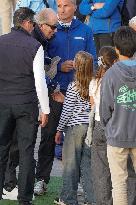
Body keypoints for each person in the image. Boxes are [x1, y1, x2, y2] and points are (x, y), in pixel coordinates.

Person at [34, 0, 97, 196]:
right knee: (48, 137)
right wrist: (59, 68)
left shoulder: (86, 30)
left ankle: (78, 184)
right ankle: (42, 180)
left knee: (79, 143)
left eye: (66, 5)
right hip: (55, 93)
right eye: (59, 5)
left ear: (75, 7)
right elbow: (41, 63)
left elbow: (93, 60)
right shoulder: (51, 30)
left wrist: (82, 68)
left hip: (79, 97)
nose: (61, 10)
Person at [4, 7, 58, 194]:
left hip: (4, 103)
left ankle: (8, 186)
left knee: (5, 148)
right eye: (33, 24)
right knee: (24, 150)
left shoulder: (2, 41)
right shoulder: (34, 45)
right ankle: (22, 195)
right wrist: (46, 108)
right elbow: (39, 81)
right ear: (30, 24)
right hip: (26, 103)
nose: (54, 30)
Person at [99, 26, 136, 205]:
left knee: (119, 183)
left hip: (116, 135)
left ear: (116, 49)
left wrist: (108, 127)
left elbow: (105, 109)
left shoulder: (110, 74)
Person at [54, 51, 93, 205]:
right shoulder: (95, 83)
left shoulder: (73, 86)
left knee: (70, 165)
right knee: (87, 166)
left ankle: (68, 199)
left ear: (77, 65)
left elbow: (68, 110)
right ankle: (92, 199)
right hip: (90, 127)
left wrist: (59, 129)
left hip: (75, 128)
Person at [89, 46, 118, 205]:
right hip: (115, 125)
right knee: (119, 170)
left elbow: (92, 105)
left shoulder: (94, 81)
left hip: (98, 125)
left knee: (100, 171)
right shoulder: (116, 79)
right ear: (115, 61)